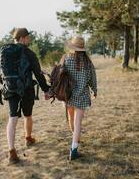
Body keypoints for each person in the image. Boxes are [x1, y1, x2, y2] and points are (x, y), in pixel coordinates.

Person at [45, 36, 97, 161]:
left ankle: (75, 138)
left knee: (71, 118)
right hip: (82, 96)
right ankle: (74, 148)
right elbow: (92, 79)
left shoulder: (66, 59)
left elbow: (58, 77)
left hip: (68, 95)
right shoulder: (88, 62)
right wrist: (95, 91)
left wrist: (51, 92)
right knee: (78, 121)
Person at [6, 28, 49, 164]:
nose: (28, 41)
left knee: (13, 118)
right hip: (26, 89)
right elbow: (37, 73)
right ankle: (28, 138)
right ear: (22, 38)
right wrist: (46, 90)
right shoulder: (28, 53)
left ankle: (12, 152)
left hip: (11, 89)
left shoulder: (6, 52)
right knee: (27, 115)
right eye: (27, 38)